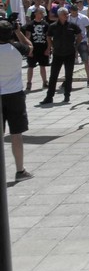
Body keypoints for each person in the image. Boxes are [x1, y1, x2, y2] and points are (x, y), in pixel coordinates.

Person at [0, 19, 34, 180]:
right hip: (14, 94)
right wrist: (19, 32)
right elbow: (31, 48)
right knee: (16, 134)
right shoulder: (17, 48)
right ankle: (20, 170)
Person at [41, 7, 81, 105]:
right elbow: (48, 36)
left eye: (67, 14)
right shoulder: (53, 26)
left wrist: (76, 46)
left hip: (69, 53)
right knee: (53, 75)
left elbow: (79, 35)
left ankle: (67, 95)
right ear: (59, 16)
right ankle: (49, 96)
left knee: (69, 75)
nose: (66, 16)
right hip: (57, 54)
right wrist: (50, 46)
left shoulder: (72, 26)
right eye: (64, 14)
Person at [23, 6, 49, 92]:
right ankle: (29, 83)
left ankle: (45, 81)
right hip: (33, 48)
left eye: (42, 13)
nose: (42, 15)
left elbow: (48, 37)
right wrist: (29, 50)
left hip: (43, 48)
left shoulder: (45, 24)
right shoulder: (30, 24)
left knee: (43, 66)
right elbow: (27, 37)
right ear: (36, 14)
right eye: (40, 13)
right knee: (31, 66)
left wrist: (48, 48)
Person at [68, 3, 89, 86]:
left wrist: (87, 39)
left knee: (86, 60)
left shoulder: (83, 18)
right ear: (70, 11)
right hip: (70, 42)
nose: (74, 13)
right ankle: (68, 79)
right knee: (69, 61)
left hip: (82, 41)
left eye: (76, 11)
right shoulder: (67, 18)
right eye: (73, 11)